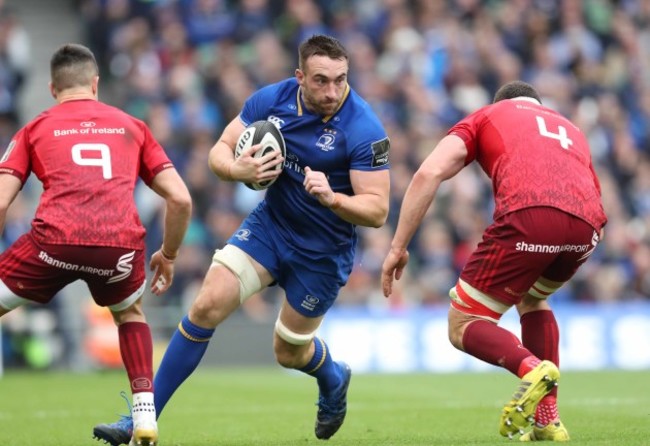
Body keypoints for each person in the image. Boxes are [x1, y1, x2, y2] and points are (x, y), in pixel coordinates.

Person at [93, 34, 390, 445]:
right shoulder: (271, 100)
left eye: (341, 80)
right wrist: (238, 171)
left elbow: (377, 210)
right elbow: (221, 149)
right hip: (271, 226)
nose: (333, 91)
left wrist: (333, 197)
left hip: (323, 252)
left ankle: (334, 377)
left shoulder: (363, 126)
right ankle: (141, 420)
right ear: (300, 76)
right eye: (321, 80)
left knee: (289, 352)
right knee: (205, 304)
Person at [381, 81, 606, 442]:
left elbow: (429, 172)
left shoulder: (488, 115)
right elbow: (592, 190)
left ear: (501, 102)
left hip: (531, 216)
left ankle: (531, 367)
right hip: (587, 228)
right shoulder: (571, 128)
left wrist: (398, 246)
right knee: (533, 297)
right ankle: (547, 420)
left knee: (463, 323)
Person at [0, 43, 192, 446]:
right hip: (118, 245)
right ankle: (145, 416)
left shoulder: (36, 127)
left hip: (54, 242)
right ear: (96, 83)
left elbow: (2, 199)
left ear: (53, 88)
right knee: (130, 313)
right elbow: (181, 198)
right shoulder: (132, 126)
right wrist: (169, 255)